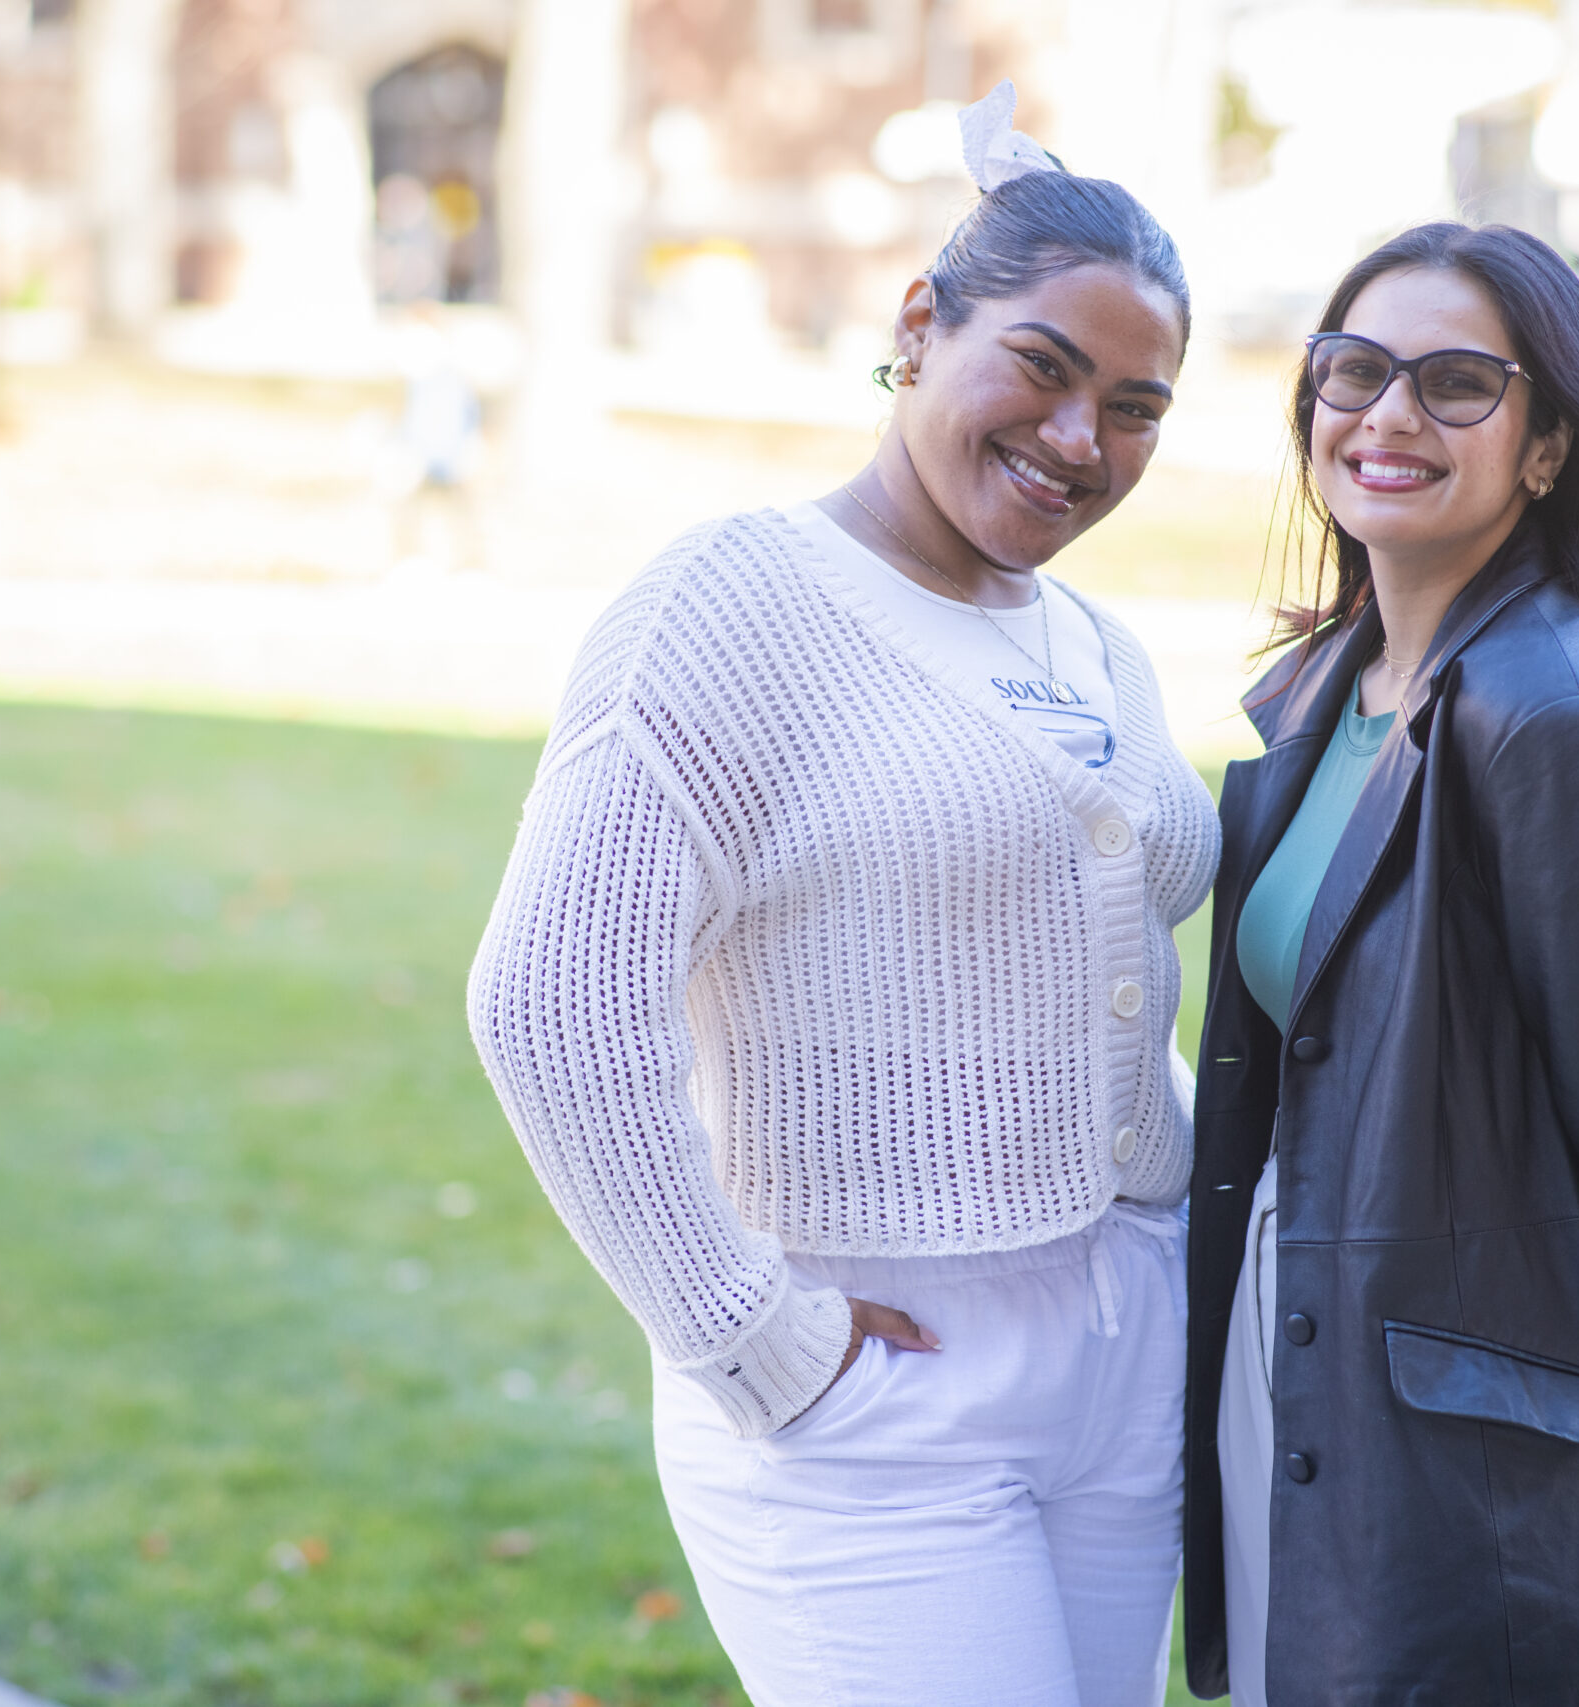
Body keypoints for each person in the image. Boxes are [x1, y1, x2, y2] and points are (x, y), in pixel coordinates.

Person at [466, 83, 1216, 1707]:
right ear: (919, 325)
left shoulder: (1094, 643)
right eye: (1044, 369)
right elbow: (552, 1005)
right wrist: (754, 1344)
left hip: (1125, 1349)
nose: (1082, 442)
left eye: (1138, 408)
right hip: (873, 1391)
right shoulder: (731, 610)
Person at [1182, 222, 1579, 1706]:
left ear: (1542, 449)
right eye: (1355, 371)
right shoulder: (1336, 687)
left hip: (1483, 1462)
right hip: (1309, 1374)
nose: (1389, 416)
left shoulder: (1556, 713)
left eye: (1458, 384)